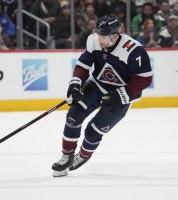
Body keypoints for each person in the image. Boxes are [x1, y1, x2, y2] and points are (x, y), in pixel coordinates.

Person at [52, 14, 153, 177]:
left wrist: (123, 94)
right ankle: (67, 155)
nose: (99, 39)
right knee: (73, 116)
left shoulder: (133, 50)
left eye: (103, 36)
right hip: (98, 85)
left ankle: (83, 156)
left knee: (93, 131)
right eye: (98, 34)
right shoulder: (94, 40)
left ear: (114, 36)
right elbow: (83, 65)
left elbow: (145, 78)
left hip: (121, 94)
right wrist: (76, 83)